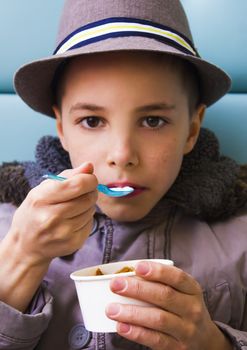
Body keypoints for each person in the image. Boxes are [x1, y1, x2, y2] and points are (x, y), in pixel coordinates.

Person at [0, 0, 246, 349]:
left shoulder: (240, 237)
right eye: (92, 121)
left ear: (191, 130)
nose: (122, 156)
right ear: (62, 128)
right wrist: (21, 258)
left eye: (152, 121)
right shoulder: (8, 228)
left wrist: (214, 343)